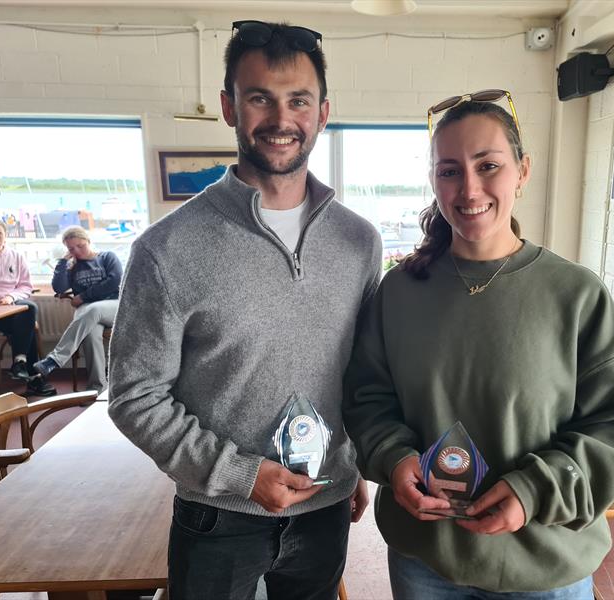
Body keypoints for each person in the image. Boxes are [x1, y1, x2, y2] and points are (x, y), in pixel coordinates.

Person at [107, 20, 381, 600]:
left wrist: (351, 462)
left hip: (324, 505)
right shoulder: (166, 248)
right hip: (217, 516)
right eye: (260, 98)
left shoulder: (360, 241)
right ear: (231, 107)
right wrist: (242, 476)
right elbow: (133, 396)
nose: (282, 120)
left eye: (298, 100)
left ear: (322, 113)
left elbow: (359, 372)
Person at [343, 98, 614, 599]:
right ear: (434, 180)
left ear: (522, 171)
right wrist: (394, 458)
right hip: (426, 562)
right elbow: (367, 399)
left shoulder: (574, 294)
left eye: (488, 166)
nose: (469, 189)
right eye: (450, 171)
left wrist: (533, 490)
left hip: (544, 563)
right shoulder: (399, 292)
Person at [33, 226, 121, 394]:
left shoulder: (107, 257)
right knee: (91, 334)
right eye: (71, 248)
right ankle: (98, 389)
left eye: (80, 245)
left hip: (114, 306)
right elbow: (59, 288)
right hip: (88, 313)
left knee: (93, 309)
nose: (77, 251)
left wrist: (84, 296)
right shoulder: (72, 267)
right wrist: (62, 262)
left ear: (88, 241)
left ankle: (54, 360)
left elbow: (114, 281)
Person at [0, 216, 55, 396]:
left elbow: (25, 286)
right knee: (26, 327)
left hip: (11, 307)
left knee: (29, 309)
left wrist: (10, 297)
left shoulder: (16, 256)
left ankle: (19, 362)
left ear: (5, 234)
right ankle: (32, 377)